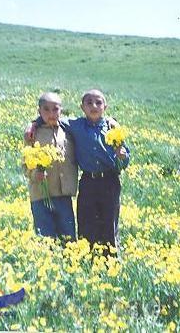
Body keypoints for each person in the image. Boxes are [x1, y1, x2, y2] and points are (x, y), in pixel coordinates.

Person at [25, 89, 130, 255]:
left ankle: (111, 259)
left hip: (110, 181)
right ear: (82, 107)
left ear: (105, 106)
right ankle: (87, 258)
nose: (93, 106)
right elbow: (50, 117)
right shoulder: (75, 125)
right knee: (86, 223)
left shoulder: (112, 128)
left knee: (109, 222)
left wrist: (122, 157)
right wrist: (33, 123)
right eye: (89, 103)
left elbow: (124, 160)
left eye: (98, 103)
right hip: (88, 182)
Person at [22, 92, 78, 242]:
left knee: (69, 238)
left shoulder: (68, 131)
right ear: (39, 111)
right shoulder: (32, 134)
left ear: (61, 110)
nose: (51, 113)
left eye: (55, 109)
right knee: (45, 239)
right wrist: (35, 175)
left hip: (63, 195)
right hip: (40, 194)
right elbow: (25, 164)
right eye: (46, 109)